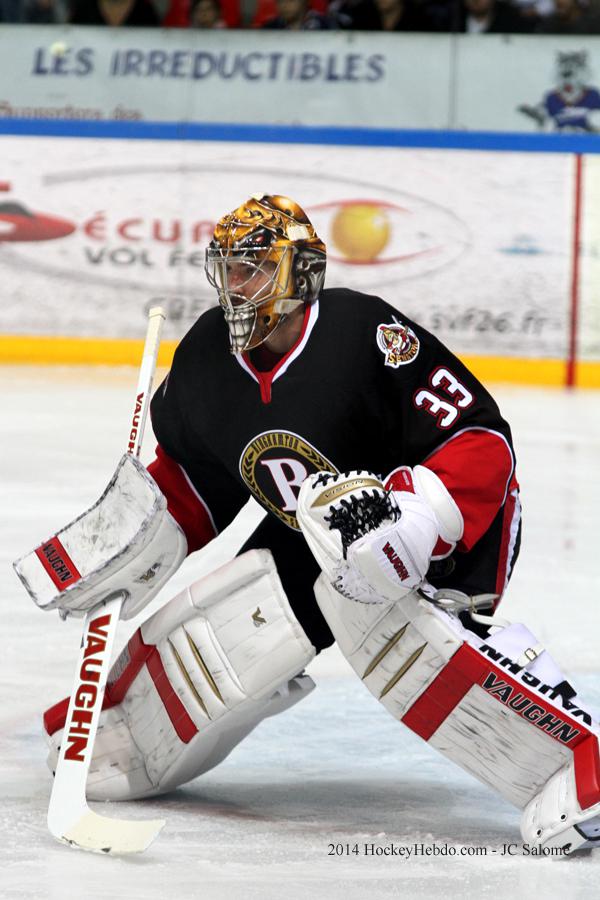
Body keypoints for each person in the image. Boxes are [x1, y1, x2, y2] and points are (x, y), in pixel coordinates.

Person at [37, 195, 600, 854]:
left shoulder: (364, 334)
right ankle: (135, 721)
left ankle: (578, 756)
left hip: (441, 525)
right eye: (229, 269)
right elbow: (196, 483)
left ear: (300, 273)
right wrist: (133, 535)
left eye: (254, 269)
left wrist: (415, 522)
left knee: (401, 632)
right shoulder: (204, 363)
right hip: (318, 535)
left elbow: (483, 444)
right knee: (244, 622)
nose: (236, 287)